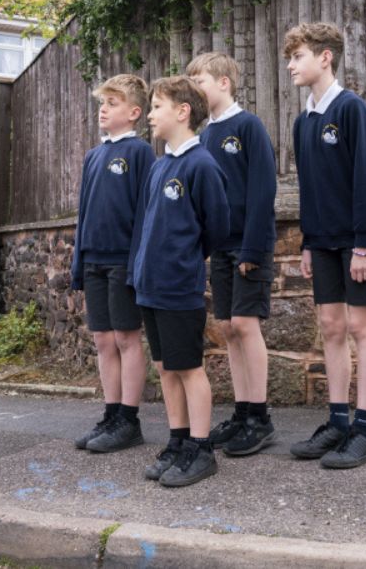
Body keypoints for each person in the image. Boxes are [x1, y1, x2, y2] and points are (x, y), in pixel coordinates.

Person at [284, 23, 366, 470]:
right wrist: (308, 241)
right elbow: (309, 188)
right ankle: (338, 422)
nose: (291, 66)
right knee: (330, 326)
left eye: (298, 56)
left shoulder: (351, 109)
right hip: (322, 241)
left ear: (325, 57)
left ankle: (365, 430)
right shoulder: (303, 121)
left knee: (363, 327)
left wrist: (364, 244)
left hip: (355, 242)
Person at [129, 76, 230, 487]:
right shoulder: (159, 167)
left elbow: (217, 227)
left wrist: (183, 260)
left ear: (183, 111)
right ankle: (178, 441)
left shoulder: (201, 164)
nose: (150, 115)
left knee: (188, 368)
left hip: (179, 286)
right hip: (150, 285)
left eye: (157, 107)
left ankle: (201, 450)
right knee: (165, 367)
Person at [187, 53, 279, 457]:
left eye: (201, 82)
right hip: (221, 247)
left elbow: (262, 189)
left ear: (224, 82)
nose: (195, 90)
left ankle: (260, 417)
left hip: (248, 244)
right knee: (227, 327)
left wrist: (253, 246)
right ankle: (242, 414)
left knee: (245, 323)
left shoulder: (248, 126)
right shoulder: (205, 135)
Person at [69, 75, 155, 453]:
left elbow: (146, 213)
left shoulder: (140, 153)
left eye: (113, 103)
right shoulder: (93, 156)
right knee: (103, 340)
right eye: (102, 102)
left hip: (123, 261)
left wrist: (137, 264)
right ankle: (111, 414)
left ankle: (129, 420)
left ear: (134, 112)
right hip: (93, 260)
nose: (103, 109)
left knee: (126, 337)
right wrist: (78, 262)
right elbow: (84, 212)